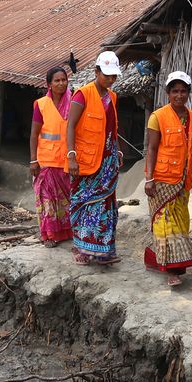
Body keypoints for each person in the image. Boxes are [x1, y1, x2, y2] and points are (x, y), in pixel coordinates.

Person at [143, 71, 192, 286]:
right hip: (161, 180)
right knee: (164, 225)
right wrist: (149, 178)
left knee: (180, 225)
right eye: (174, 91)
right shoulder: (157, 117)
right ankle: (172, 271)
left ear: (189, 93)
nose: (179, 95)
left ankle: (157, 260)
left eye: (183, 91)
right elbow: (151, 149)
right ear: (168, 93)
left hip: (183, 183)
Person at [66, 51, 123, 265]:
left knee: (106, 205)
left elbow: (112, 128)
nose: (110, 79)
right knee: (84, 203)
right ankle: (82, 248)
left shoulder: (113, 96)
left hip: (107, 160)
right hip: (85, 160)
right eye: (106, 75)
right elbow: (70, 126)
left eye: (113, 76)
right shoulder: (82, 94)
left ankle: (104, 251)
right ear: (96, 71)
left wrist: (116, 151)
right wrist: (71, 156)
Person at [29, 67, 73, 247]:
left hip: (66, 161)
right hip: (45, 161)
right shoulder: (40, 104)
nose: (61, 83)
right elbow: (34, 134)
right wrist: (33, 160)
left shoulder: (74, 102)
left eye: (64, 80)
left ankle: (65, 232)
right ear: (49, 84)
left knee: (65, 201)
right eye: (57, 80)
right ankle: (48, 235)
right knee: (47, 200)